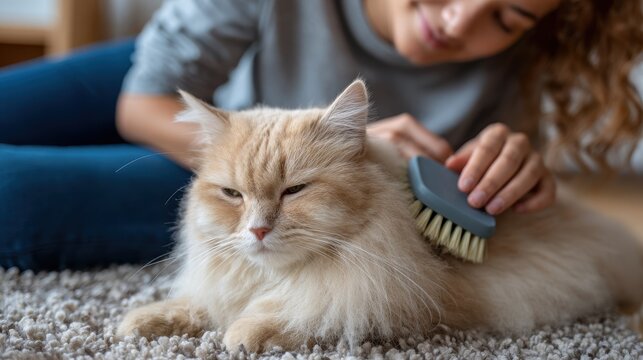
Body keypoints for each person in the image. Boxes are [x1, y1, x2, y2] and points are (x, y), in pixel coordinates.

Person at [1, 0, 641, 271]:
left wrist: (516, 178)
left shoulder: (520, 64)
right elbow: (139, 106)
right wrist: (240, 158)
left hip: (263, 196)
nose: (456, 20)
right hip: (199, 117)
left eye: (505, 15)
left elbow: (472, 217)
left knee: (14, 194)